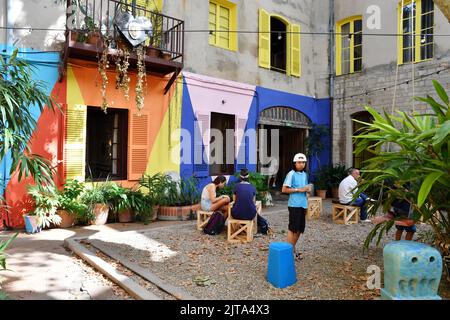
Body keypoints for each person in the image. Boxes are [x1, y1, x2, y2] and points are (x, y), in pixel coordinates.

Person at [282, 153, 311, 261]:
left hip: (303, 204)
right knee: (292, 228)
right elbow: (284, 189)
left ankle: (292, 249)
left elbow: (305, 188)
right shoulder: (291, 174)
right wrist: (299, 189)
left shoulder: (304, 174)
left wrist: (307, 191)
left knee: (300, 229)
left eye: (303, 162)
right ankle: (289, 253)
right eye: (299, 162)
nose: (301, 164)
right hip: (294, 204)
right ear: (294, 163)